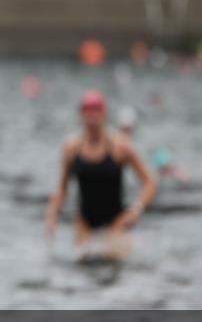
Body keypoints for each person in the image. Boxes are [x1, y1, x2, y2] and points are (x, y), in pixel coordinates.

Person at [46, 90, 157, 262]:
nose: (92, 119)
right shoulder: (72, 148)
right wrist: (52, 215)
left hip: (116, 222)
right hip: (84, 223)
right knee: (81, 269)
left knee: (113, 267)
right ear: (81, 116)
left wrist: (136, 210)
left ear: (104, 114)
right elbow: (62, 188)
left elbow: (150, 182)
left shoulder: (121, 147)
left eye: (96, 113)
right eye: (87, 113)